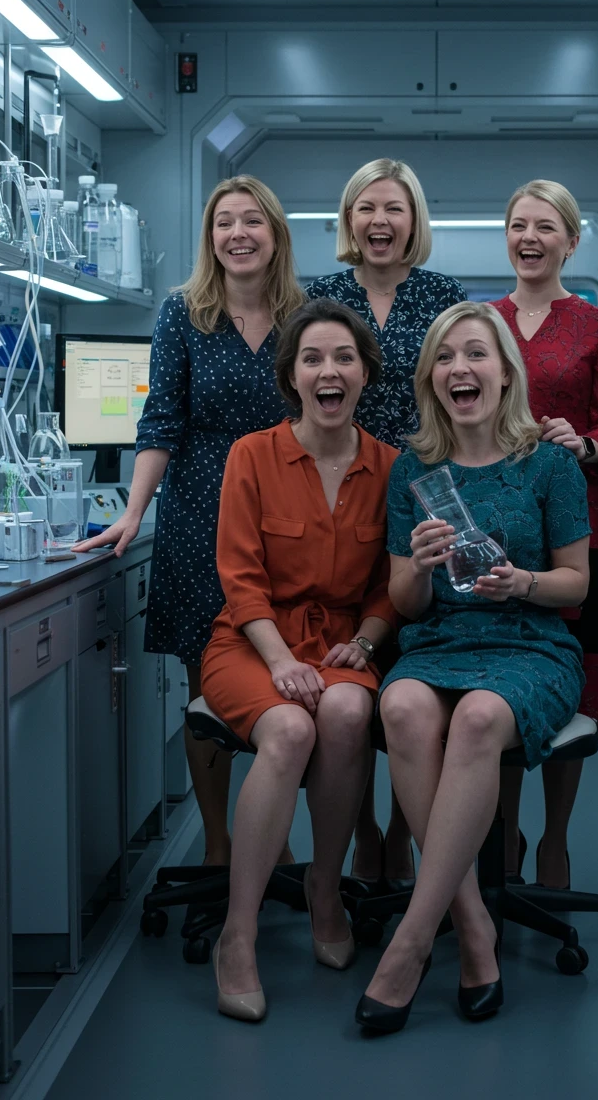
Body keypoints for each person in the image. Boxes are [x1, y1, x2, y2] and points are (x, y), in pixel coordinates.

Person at [355, 302, 591, 1034]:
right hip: (440, 642)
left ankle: (409, 945)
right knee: (401, 711)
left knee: (482, 717)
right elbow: (405, 602)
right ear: (431, 378)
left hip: (530, 643)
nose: (463, 368)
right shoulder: (414, 469)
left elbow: (577, 586)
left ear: (504, 372)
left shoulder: (549, 462)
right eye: (447, 358)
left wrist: (520, 582)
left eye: (477, 355)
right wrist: (421, 567)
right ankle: (472, 925)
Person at [75, 176, 305, 870]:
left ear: (275, 234)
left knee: (288, 680)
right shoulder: (185, 314)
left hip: (288, 518)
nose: (238, 234)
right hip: (200, 516)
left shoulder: (306, 313)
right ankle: (218, 844)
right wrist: (134, 513)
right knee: (210, 687)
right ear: (211, 239)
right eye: (223, 223)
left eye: (252, 222)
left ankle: (277, 841)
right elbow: (161, 423)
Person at [202, 299, 399, 1021]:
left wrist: (370, 640)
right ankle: (240, 935)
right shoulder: (252, 454)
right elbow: (240, 578)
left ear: (364, 374)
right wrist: (282, 659)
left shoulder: (389, 467)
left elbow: (389, 585)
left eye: (344, 358)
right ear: (292, 377)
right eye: (312, 359)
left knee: (348, 711)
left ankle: (324, 888)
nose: (329, 371)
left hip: (344, 639)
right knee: (289, 729)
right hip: (250, 640)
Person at [306, 158, 466, 887]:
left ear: (414, 221)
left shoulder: (442, 296)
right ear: (349, 219)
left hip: (424, 495)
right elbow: (304, 389)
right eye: (366, 207)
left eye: (394, 208)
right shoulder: (324, 295)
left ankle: (403, 829)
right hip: (339, 493)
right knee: (348, 663)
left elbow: (465, 391)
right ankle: (362, 828)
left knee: (413, 666)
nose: (379, 221)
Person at [491, 179, 598, 890]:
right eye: (519, 225)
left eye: (547, 226)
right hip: (503, 520)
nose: (531, 237)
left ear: (572, 240)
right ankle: (506, 833)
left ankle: (556, 840)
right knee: (506, 677)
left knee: (574, 684)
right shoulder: (484, 321)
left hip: (578, 516)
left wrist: (585, 444)